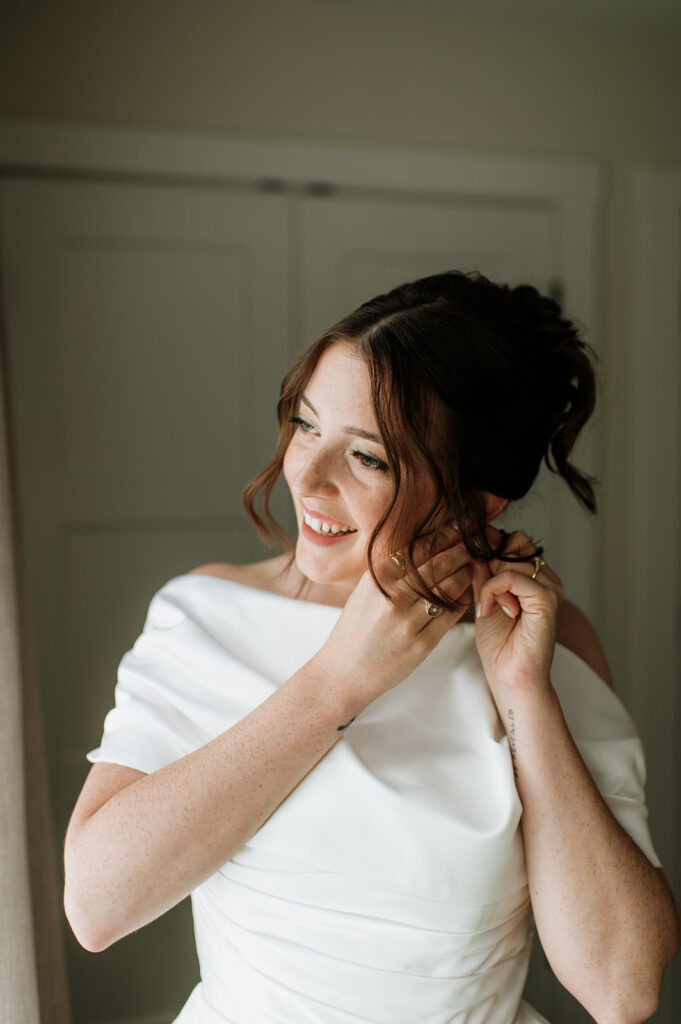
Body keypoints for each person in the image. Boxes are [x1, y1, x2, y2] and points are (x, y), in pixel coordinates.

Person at [64, 270, 678, 1024]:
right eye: (306, 425)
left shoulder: (545, 642)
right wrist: (335, 683)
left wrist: (523, 695)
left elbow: (622, 989)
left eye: (368, 458)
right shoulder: (207, 614)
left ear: (476, 498)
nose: (307, 477)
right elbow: (95, 906)